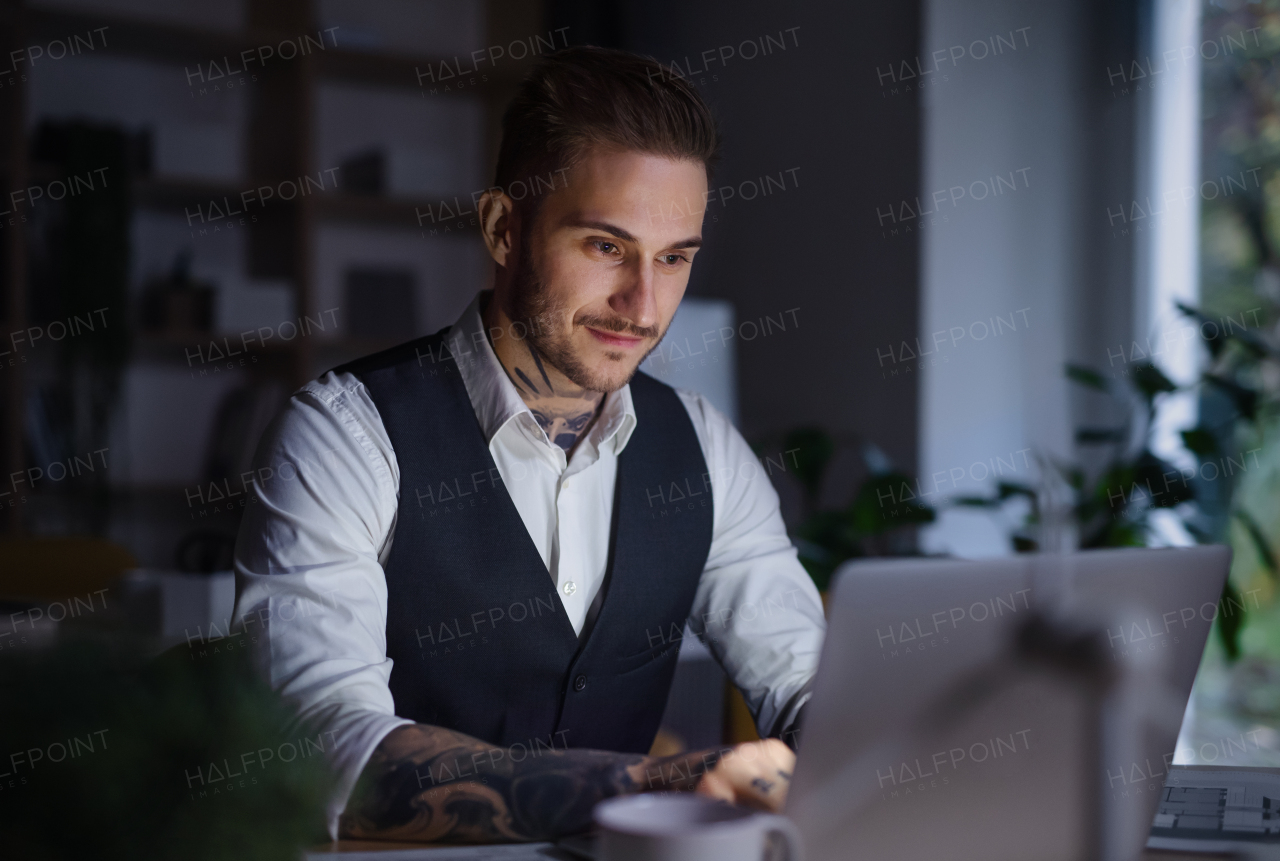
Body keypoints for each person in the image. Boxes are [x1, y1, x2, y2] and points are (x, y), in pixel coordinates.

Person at [231, 45, 825, 844]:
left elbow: (806, 679)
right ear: (505, 227)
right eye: (606, 246)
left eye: (674, 258)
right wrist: (649, 782)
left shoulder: (704, 449)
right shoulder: (343, 436)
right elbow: (325, 750)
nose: (643, 303)